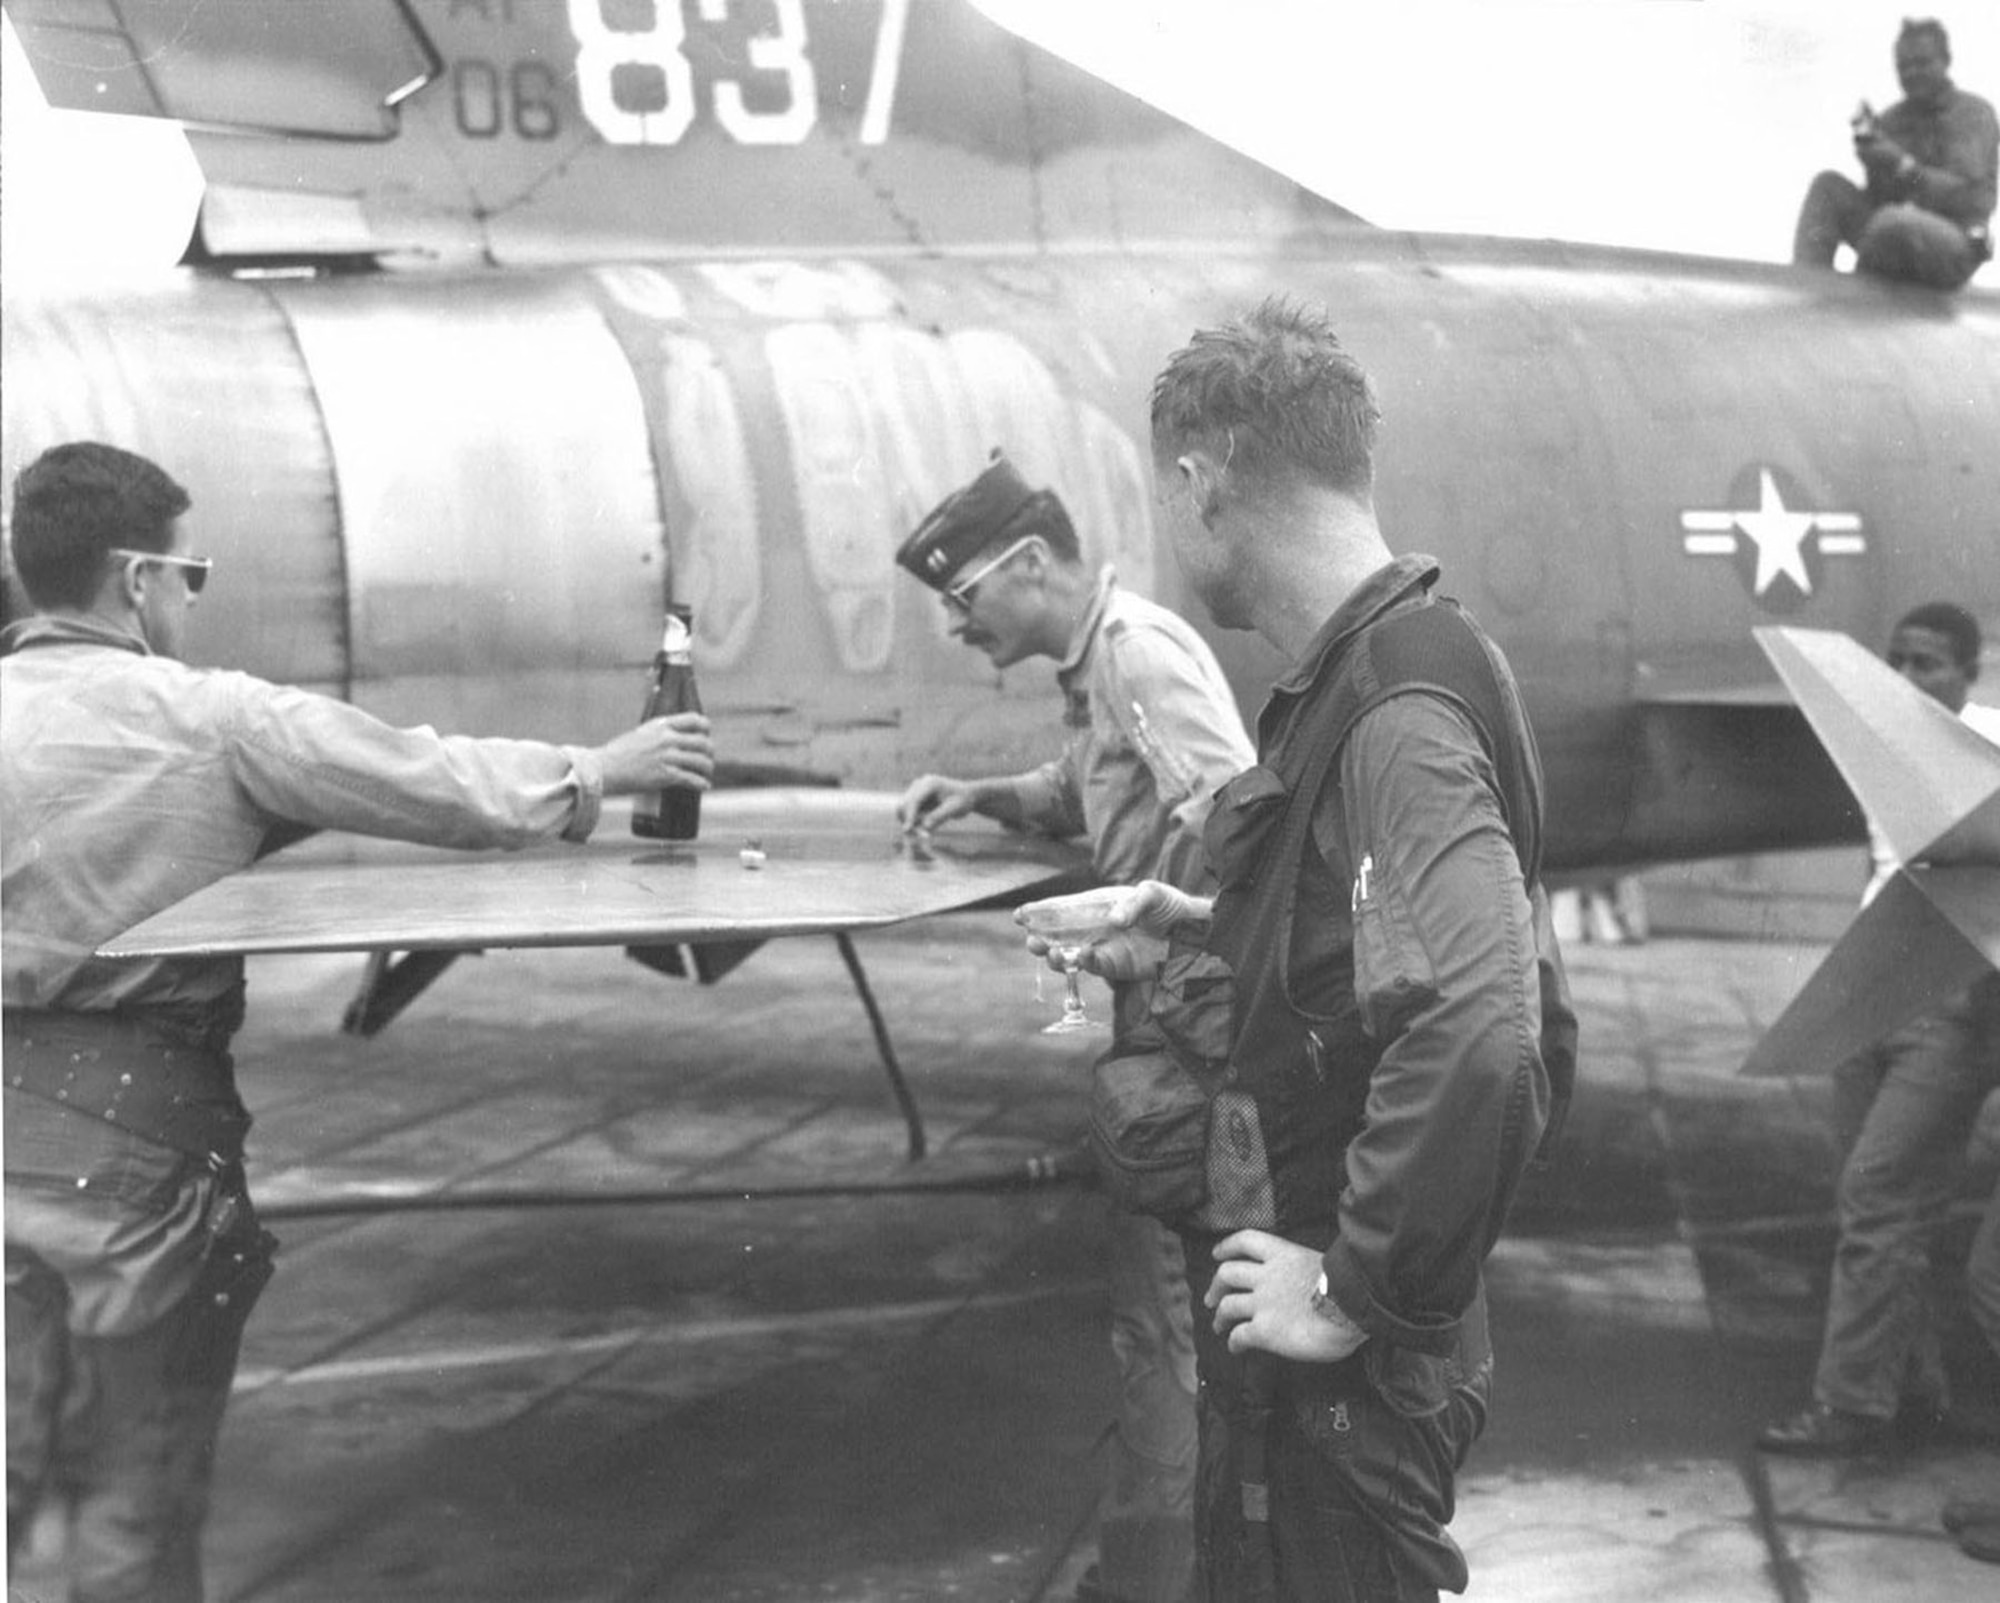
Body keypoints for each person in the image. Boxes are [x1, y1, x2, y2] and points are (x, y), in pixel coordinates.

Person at [2, 441, 715, 1602]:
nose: (193, 598)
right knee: (130, 1492)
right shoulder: (209, 718)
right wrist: (602, 765)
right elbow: (428, 782)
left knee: (21, 1487)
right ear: (134, 581)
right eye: (193, 575)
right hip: (133, 1158)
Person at [1035, 299, 1575, 1601]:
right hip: (1327, 1362)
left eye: (1173, 501)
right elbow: (1381, 960)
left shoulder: (1395, 703)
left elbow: (1489, 1026)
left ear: (1200, 482)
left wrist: (1351, 1286)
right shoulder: (1372, 674)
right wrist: (1203, 922)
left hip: (1348, 1379)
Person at [894, 452, 1256, 1603]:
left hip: (1190, 1023)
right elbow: (1096, 784)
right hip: (1167, 1010)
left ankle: (1165, 1573)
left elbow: (1237, 822)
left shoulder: (1136, 657)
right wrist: (985, 793)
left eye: (961, 601)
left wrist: (1165, 935)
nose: (955, 627)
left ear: (1033, 565)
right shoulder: (1101, 662)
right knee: (1159, 1307)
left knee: (1163, 1314)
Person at [1757, 605, 2000, 1525]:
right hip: (1876, 990)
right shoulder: (1882, 743)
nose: (1905, 675)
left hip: (1948, 1005)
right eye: (1895, 657)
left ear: (1969, 674)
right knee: (1877, 1202)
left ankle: (1853, 1405)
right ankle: (1915, 1387)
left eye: (1928, 663)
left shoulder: (1986, 743)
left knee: (1879, 1190)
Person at [1792, 17, 1997, 291]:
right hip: (1891, 234)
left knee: (1894, 221)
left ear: (1946, 61)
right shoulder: (1893, 119)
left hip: (1955, 241)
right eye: (1904, 66)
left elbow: (1966, 199)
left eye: (1922, 63)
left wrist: (1900, 164)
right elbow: (1881, 200)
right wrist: (1872, 160)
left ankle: (1858, 301)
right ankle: (1804, 289)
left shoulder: (1972, 115)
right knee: (1827, 187)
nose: (1912, 73)